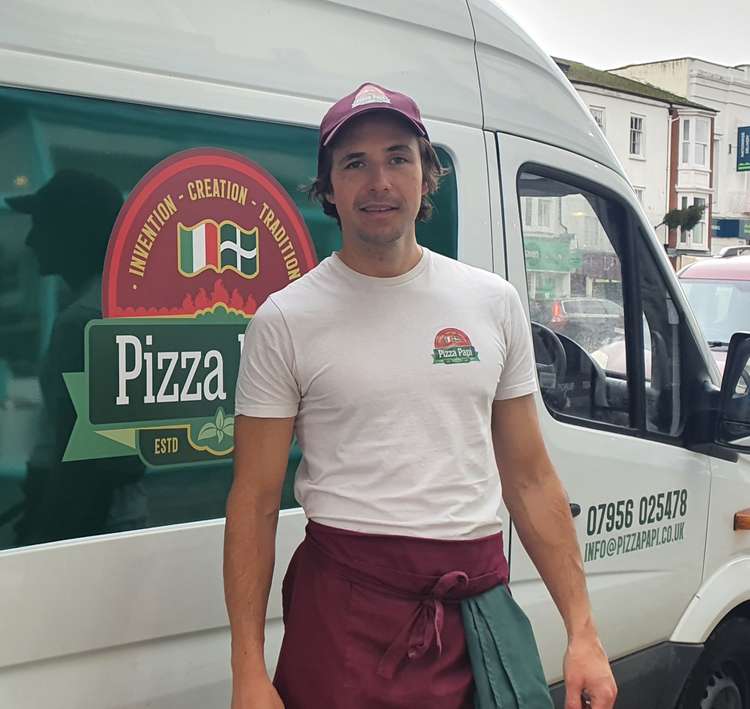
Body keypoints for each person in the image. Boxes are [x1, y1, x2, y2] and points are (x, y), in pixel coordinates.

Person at [226, 83, 617, 709]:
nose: (378, 181)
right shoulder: (285, 320)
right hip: (345, 615)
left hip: (479, 617)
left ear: (427, 174)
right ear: (328, 187)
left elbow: (531, 478)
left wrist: (583, 634)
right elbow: (252, 502)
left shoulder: (492, 302)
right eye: (354, 164)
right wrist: (248, 672)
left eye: (398, 158)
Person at [5, 170, 147, 545]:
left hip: (85, 519)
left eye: (42, 225)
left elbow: (82, 462)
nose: (32, 240)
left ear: (74, 232)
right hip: (117, 515)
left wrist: (45, 536)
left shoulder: (84, 321)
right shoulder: (118, 307)